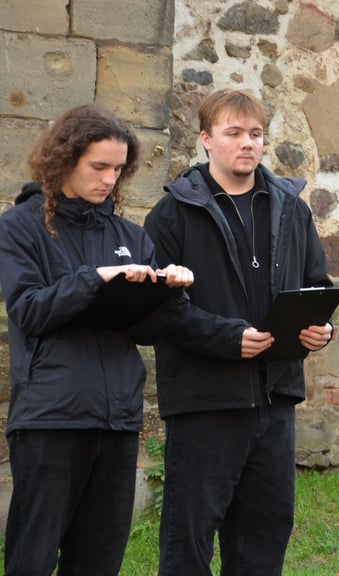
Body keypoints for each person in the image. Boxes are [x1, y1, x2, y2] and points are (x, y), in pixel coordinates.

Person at [142, 89, 335, 576]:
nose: (247, 144)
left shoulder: (293, 209)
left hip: (275, 399)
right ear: (207, 140)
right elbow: (160, 310)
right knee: (189, 539)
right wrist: (227, 338)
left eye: (255, 134)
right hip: (206, 399)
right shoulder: (172, 213)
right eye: (233, 133)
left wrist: (322, 329)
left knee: (264, 535)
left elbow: (317, 285)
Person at [0, 104, 193, 575]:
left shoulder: (130, 234)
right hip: (51, 417)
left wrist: (172, 293)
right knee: (33, 556)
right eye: (99, 167)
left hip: (117, 419)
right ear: (65, 159)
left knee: (99, 559)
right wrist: (96, 278)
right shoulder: (19, 226)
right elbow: (29, 309)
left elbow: (143, 331)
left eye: (118, 168)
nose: (110, 179)